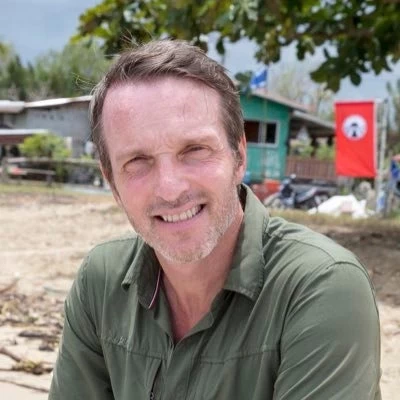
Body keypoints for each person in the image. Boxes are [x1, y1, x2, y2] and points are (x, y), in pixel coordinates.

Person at [49, 40, 381, 400]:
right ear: (112, 181)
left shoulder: (320, 287)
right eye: (138, 161)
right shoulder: (101, 283)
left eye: (194, 150)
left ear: (239, 156)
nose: (170, 189)